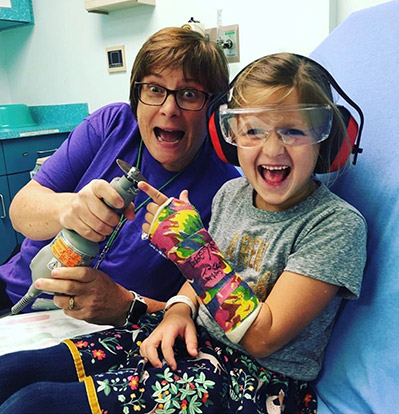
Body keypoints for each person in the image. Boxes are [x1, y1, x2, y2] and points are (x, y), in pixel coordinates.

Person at [0, 53, 366, 414]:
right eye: (253, 130)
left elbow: (262, 337)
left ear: (328, 140)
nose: (272, 148)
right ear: (230, 137)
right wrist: (177, 311)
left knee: (33, 405)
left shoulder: (335, 225)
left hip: (258, 379)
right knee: (13, 371)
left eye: (293, 131)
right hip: (193, 337)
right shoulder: (232, 195)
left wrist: (192, 249)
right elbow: (198, 281)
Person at [0, 27, 239, 326]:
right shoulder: (111, 125)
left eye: (189, 94)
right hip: (16, 294)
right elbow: (20, 210)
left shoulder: (227, 192)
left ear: (213, 109)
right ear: (136, 96)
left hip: (109, 333)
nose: (169, 109)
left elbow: (202, 312)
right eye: (154, 89)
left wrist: (128, 305)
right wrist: (69, 209)